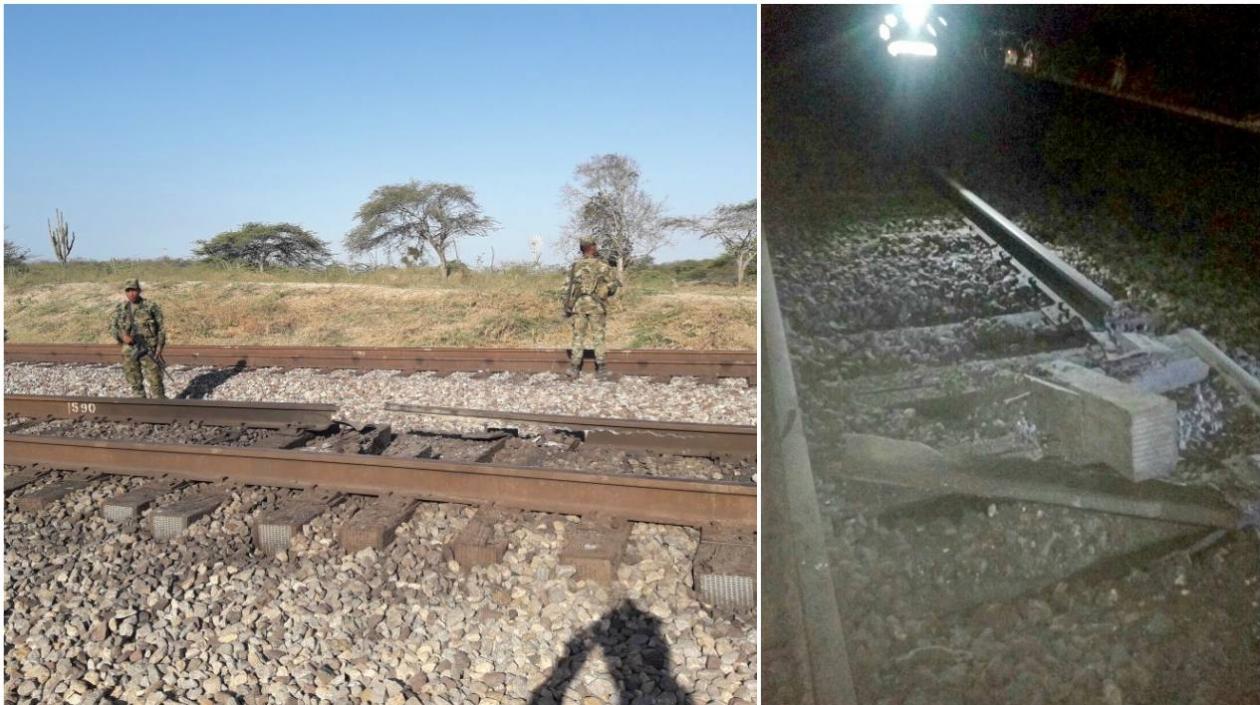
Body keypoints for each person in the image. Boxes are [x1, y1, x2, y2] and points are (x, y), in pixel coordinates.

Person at [563, 237, 620, 379]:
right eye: (595, 245)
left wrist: (567, 306)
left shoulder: (575, 266)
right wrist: (605, 290)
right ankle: (601, 369)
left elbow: (566, 289)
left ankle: (574, 368)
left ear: (582, 248)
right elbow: (613, 287)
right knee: (598, 337)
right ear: (592, 247)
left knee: (578, 337)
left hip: (579, 307)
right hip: (597, 307)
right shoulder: (603, 266)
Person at [109, 278, 167, 398]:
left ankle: (161, 407)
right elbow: (112, 327)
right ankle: (140, 405)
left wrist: (159, 347)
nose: (131, 293)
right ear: (125, 292)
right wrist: (122, 336)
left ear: (139, 291)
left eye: (134, 290)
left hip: (148, 348)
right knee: (135, 382)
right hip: (129, 350)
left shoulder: (150, 306)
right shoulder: (121, 308)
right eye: (128, 291)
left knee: (156, 381)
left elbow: (161, 328)